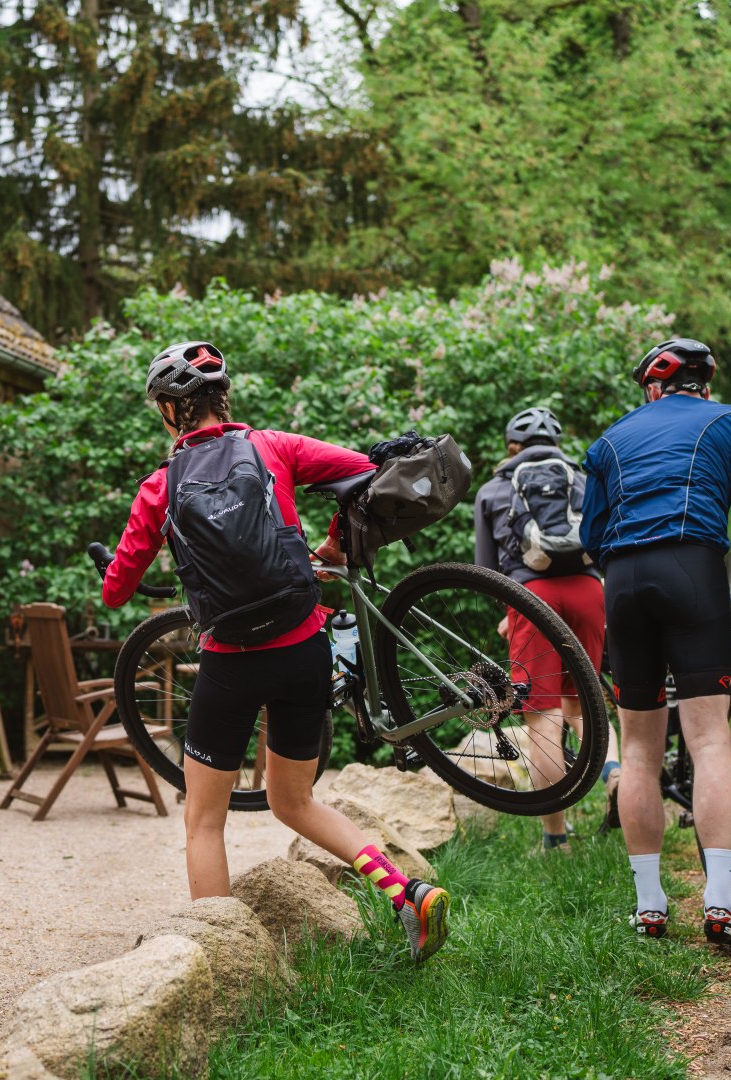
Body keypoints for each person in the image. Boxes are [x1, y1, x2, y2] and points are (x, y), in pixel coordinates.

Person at [102, 341, 451, 961]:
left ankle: (224, 961)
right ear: (224, 397)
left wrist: (114, 567)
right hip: (303, 652)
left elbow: (116, 591)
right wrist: (336, 544)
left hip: (230, 664)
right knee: (295, 801)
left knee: (203, 821)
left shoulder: (159, 487)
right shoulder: (274, 447)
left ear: (170, 411)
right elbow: (368, 477)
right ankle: (407, 894)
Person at [580, 338, 731, 945]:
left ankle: (649, 907)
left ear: (652, 389)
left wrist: (626, 571)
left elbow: (591, 535)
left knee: (640, 752)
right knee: (711, 738)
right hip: (693, 571)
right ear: (706, 386)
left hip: (624, 583)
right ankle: (719, 901)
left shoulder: (608, 441)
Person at [472, 407, 620, 851]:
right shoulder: (583, 480)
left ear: (512, 447)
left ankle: (556, 839)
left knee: (543, 717)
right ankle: (616, 777)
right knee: (586, 704)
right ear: (556, 444)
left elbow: (484, 570)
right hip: (589, 594)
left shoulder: (494, 489)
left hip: (531, 597)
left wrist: (514, 609)